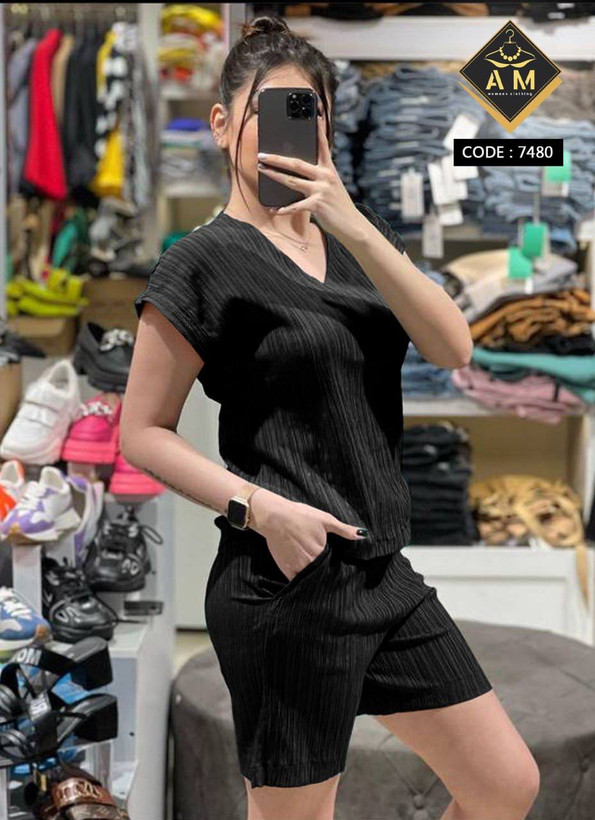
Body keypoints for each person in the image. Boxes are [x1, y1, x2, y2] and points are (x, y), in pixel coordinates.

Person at [121, 15, 540, 820]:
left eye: (307, 111)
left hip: (384, 572)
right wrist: (262, 509)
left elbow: (451, 346)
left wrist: (349, 219)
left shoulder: (352, 242)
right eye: (271, 109)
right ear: (222, 123)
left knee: (504, 784)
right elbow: (141, 431)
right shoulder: (198, 263)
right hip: (286, 580)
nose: (292, 129)